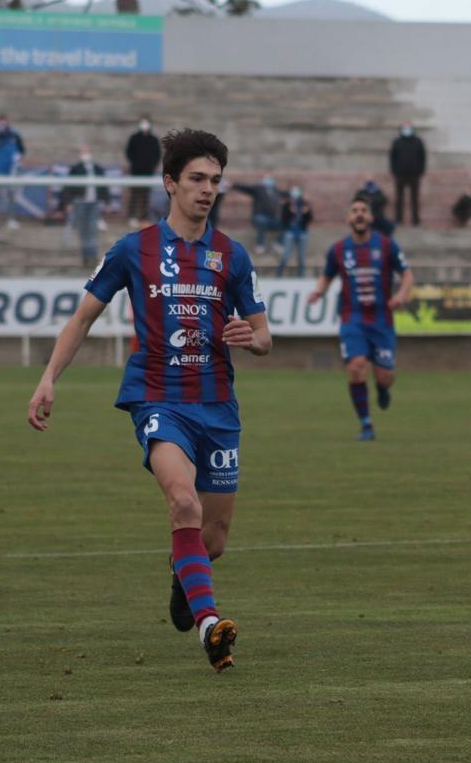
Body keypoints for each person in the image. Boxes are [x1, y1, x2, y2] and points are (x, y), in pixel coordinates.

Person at [27, 129, 271, 672]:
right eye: (197, 179)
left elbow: (263, 336)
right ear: (170, 183)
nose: (208, 190)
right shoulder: (132, 249)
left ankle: (183, 575)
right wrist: (49, 378)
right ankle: (212, 627)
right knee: (182, 502)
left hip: (219, 406)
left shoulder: (231, 255)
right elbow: (83, 318)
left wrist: (250, 339)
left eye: (215, 181)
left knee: (215, 539)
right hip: (158, 398)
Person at [306, 195, 414, 441]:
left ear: (371, 217)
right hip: (352, 318)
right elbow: (327, 275)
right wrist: (318, 292)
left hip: (381, 320)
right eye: (354, 210)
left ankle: (382, 388)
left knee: (386, 376)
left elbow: (407, 275)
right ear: (348, 218)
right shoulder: (338, 250)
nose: (359, 214)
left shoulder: (387, 246)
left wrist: (401, 295)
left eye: (363, 210)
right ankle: (366, 424)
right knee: (355, 368)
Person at [61, 146, 111, 267]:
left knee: (93, 230)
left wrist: (107, 201)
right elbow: (68, 187)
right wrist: (67, 203)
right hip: (80, 203)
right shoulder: (76, 169)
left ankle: (93, 255)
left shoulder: (98, 169)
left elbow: (104, 186)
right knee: (83, 231)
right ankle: (85, 257)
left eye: (86, 152)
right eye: (83, 152)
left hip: (94, 204)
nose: (85, 154)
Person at [0, 114, 25, 230]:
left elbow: (22, 150)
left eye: (4, 122)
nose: (3, 124)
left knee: (12, 196)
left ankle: (11, 219)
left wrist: (18, 158)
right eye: (0, 122)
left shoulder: (15, 135)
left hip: (12, 170)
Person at [125, 115, 162, 227]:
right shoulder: (134, 138)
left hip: (148, 172)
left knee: (146, 195)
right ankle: (132, 216)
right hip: (136, 171)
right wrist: (134, 163)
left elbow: (157, 154)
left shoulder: (153, 139)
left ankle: (144, 217)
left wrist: (153, 165)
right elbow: (128, 152)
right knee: (135, 194)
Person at [232, 174, 283, 253]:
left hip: (272, 218)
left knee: (284, 223)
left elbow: (286, 194)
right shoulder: (258, 189)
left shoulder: (276, 191)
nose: (269, 181)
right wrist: (234, 185)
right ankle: (260, 244)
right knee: (262, 221)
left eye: (270, 179)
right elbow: (246, 188)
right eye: (266, 178)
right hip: (260, 216)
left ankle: (278, 243)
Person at [389, 122, 426, 226]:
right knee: (399, 198)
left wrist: (420, 170)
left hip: (414, 175)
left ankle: (415, 220)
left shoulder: (418, 142)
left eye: (408, 128)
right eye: (405, 128)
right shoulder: (397, 142)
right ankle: (398, 219)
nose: (407, 130)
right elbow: (393, 158)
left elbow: (422, 157)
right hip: (400, 175)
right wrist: (394, 171)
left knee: (414, 199)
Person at [276, 186, 313, 277]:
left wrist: (306, 212)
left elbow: (310, 218)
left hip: (303, 233)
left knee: (301, 257)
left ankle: (301, 276)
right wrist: (290, 212)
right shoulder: (287, 204)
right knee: (286, 255)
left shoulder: (305, 204)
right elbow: (283, 220)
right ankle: (278, 275)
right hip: (290, 232)